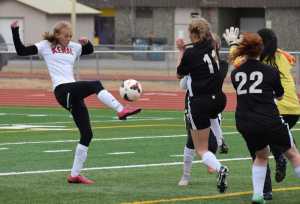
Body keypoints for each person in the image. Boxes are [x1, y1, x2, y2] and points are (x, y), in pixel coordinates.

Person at [10, 20, 141, 184]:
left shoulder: (73, 47)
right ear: (57, 34)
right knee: (95, 84)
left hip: (73, 93)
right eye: (66, 36)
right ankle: (121, 110)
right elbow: (21, 51)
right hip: (62, 90)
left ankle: (74, 175)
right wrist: (15, 30)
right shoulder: (45, 45)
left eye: (70, 36)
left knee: (87, 134)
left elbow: (89, 50)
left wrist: (87, 43)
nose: (68, 38)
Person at [224, 26, 300, 200]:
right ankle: (279, 154)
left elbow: (237, 61)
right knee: (293, 152)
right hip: (275, 114)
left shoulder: (236, 73)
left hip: (245, 120)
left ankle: (259, 194)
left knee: (259, 155)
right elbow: (279, 95)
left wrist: (234, 44)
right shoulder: (278, 63)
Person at [176, 18, 229, 193]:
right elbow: (213, 42)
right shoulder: (212, 45)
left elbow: (179, 75)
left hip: (200, 101)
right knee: (214, 117)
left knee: (200, 148)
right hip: (219, 99)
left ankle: (220, 168)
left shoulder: (191, 53)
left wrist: (182, 51)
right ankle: (221, 140)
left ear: (192, 34)